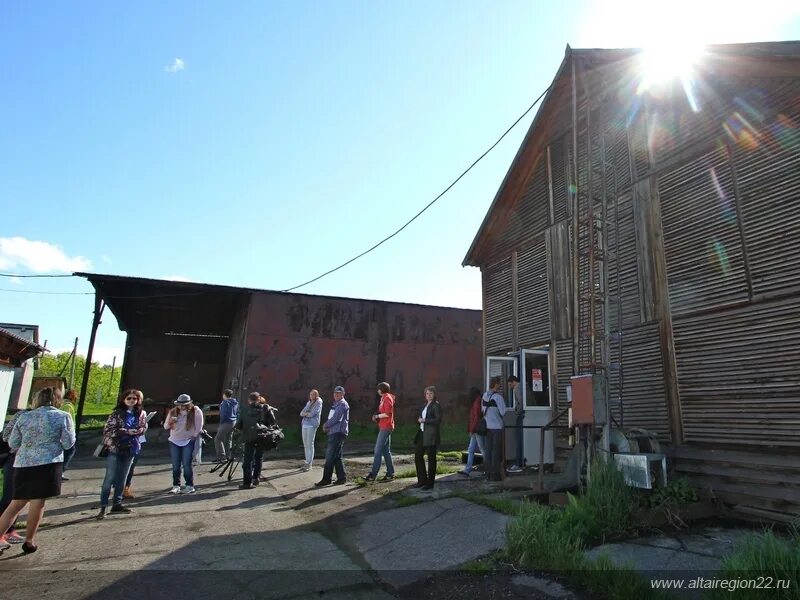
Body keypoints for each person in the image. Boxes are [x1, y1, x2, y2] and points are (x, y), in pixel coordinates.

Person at [0, 387, 75, 554]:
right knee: (38, 503)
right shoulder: (63, 416)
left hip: (23, 464)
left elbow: (13, 442)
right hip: (48, 464)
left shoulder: (24, 416)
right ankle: (29, 540)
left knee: (16, 503)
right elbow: (68, 443)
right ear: (57, 399)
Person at [96, 389, 148, 519]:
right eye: (129, 398)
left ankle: (117, 504)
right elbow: (108, 430)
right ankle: (103, 506)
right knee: (110, 478)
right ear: (124, 400)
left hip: (131, 448)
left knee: (123, 478)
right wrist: (125, 431)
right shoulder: (116, 414)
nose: (131, 401)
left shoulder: (140, 413)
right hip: (115, 448)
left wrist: (138, 430)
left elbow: (143, 427)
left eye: (134, 399)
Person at [235, 392, 277, 489]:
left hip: (248, 437)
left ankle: (247, 483)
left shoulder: (244, 410)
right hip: (262, 437)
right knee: (259, 457)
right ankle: (256, 478)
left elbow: (238, 425)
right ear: (259, 399)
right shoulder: (265, 408)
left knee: (248, 460)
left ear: (249, 400)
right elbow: (273, 422)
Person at [164, 394, 204, 494]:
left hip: (188, 441)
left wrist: (194, 436)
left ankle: (189, 485)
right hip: (174, 440)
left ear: (189, 404)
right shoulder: (173, 411)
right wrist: (170, 421)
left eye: (185, 405)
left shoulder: (195, 411)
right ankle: (176, 485)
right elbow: (165, 427)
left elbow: (199, 426)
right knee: (176, 464)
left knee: (187, 464)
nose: (182, 407)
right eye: (180, 405)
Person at [314, 385, 349, 487]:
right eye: (335, 393)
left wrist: (326, 425)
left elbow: (336, 418)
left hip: (338, 433)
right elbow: (333, 417)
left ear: (343, 394)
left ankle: (326, 479)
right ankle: (342, 478)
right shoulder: (337, 403)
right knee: (337, 457)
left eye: (339, 393)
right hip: (334, 432)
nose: (336, 395)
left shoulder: (342, 404)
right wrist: (329, 426)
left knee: (329, 457)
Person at [0, 411, 25, 545]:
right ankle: (4, 531)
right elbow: (6, 436)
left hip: (22, 460)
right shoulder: (22, 415)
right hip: (15, 458)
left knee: (17, 498)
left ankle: (9, 530)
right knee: (10, 498)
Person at [364, 382, 395, 482]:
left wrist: (377, 416)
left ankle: (373, 475)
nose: (377, 391)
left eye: (378, 389)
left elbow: (387, 413)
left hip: (386, 427)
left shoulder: (387, 398)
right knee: (386, 451)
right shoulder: (384, 398)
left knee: (377, 451)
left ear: (381, 389)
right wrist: (377, 416)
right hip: (384, 426)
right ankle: (390, 473)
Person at [414, 385, 442, 490]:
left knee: (431, 459)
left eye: (431, 393)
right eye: (427, 393)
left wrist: (425, 420)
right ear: (425, 395)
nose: (429, 395)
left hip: (431, 435)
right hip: (422, 433)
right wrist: (420, 419)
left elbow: (438, 420)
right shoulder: (425, 405)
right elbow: (422, 417)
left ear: (434, 395)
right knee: (418, 456)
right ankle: (422, 481)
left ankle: (430, 484)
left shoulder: (436, 405)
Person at [483, 376, 507, 482]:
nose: (500, 386)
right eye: (499, 384)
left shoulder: (484, 396)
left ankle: (487, 474)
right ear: (496, 384)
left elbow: (482, 411)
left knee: (487, 450)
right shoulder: (498, 397)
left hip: (487, 426)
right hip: (497, 427)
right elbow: (503, 412)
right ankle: (494, 475)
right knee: (496, 451)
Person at [459, 387, 486, 477]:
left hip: (476, 429)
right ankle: (468, 468)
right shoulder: (478, 400)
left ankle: (488, 467)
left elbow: (475, 418)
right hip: (476, 429)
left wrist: (471, 430)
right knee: (471, 449)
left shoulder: (476, 402)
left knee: (481, 448)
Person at [299, 389, 322, 471]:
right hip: (304, 424)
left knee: (310, 443)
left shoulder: (319, 402)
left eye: (314, 394)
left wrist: (306, 414)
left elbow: (313, 413)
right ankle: (306, 462)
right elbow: (301, 413)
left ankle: (309, 464)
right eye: (311, 394)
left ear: (317, 395)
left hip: (312, 425)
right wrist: (307, 414)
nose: (312, 396)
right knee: (305, 444)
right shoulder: (309, 402)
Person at [215, 389, 238, 462]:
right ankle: (229, 456)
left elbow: (223, 414)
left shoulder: (225, 403)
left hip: (226, 422)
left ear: (224, 395)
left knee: (218, 439)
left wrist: (221, 424)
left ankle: (222, 457)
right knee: (228, 439)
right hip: (233, 422)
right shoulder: (235, 402)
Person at [507, 376, 524, 473]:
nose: (510, 387)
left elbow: (520, 403)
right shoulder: (524, 387)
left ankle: (518, 463)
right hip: (522, 415)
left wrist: (517, 412)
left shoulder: (517, 389)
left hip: (520, 415)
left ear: (513, 382)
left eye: (510, 384)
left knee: (518, 438)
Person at [60, 389, 77, 481]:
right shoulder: (68, 406)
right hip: (67, 434)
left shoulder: (62, 404)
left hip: (61, 433)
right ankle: (61, 471)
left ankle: (60, 472)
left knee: (65, 452)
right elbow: (69, 421)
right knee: (70, 451)